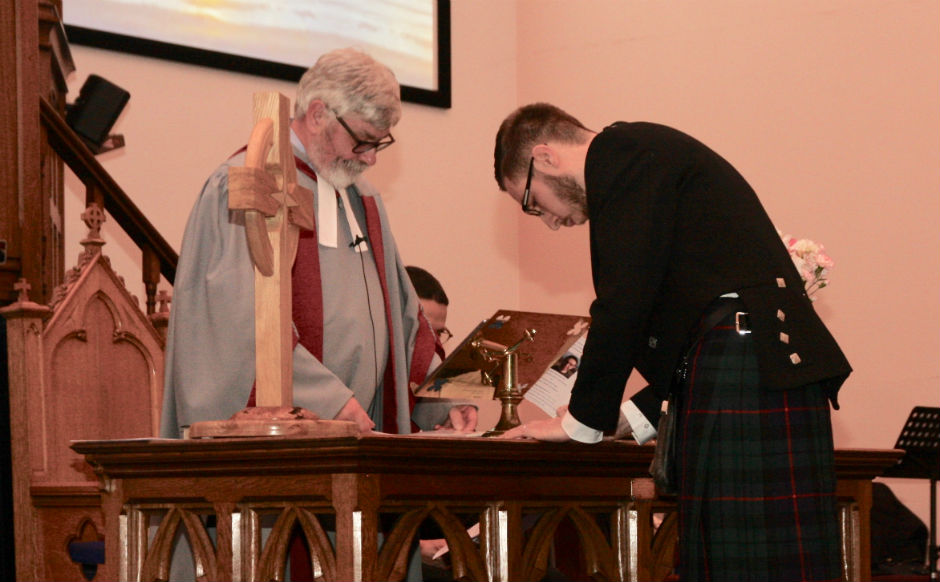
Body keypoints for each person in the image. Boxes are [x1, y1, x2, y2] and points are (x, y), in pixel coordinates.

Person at [493, 103, 852, 582]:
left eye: (533, 203)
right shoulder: (645, 159)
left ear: (546, 156)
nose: (550, 222)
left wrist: (582, 422)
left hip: (747, 363)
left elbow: (623, 303)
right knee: (744, 559)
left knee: (745, 563)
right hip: (749, 362)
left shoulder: (622, 156)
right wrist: (626, 418)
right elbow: (681, 328)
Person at [161, 48, 466, 439]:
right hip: (285, 435)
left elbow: (404, 317)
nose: (371, 159)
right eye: (362, 141)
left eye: (379, 143)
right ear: (319, 113)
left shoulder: (362, 198)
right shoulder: (248, 187)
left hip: (357, 431)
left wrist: (445, 398)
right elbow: (234, 320)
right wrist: (328, 400)